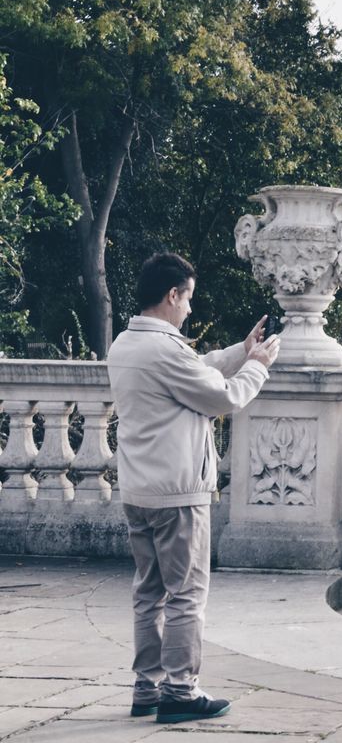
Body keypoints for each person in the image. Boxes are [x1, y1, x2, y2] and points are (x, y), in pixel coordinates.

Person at [106, 253, 279, 724]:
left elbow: (194, 369)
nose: (189, 310)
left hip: (139, 490)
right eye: (188, 300)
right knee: (186, 594)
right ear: (172, 295)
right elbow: (224, 397)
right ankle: (180, 692)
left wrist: (240, 352)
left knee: (149, 593)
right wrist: (258, 366)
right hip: (178, 492)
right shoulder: (164, 350)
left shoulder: (126, 343)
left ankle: (147, 687)